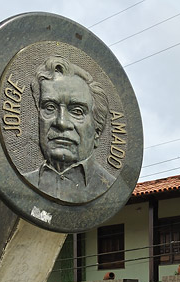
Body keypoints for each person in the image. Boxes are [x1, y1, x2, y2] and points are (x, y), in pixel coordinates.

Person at [24, 57, 115, 204]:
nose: (61, 122)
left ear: (97, 131)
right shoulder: (23, 182)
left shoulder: (111, 188)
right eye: (49, 107)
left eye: (77, 111)